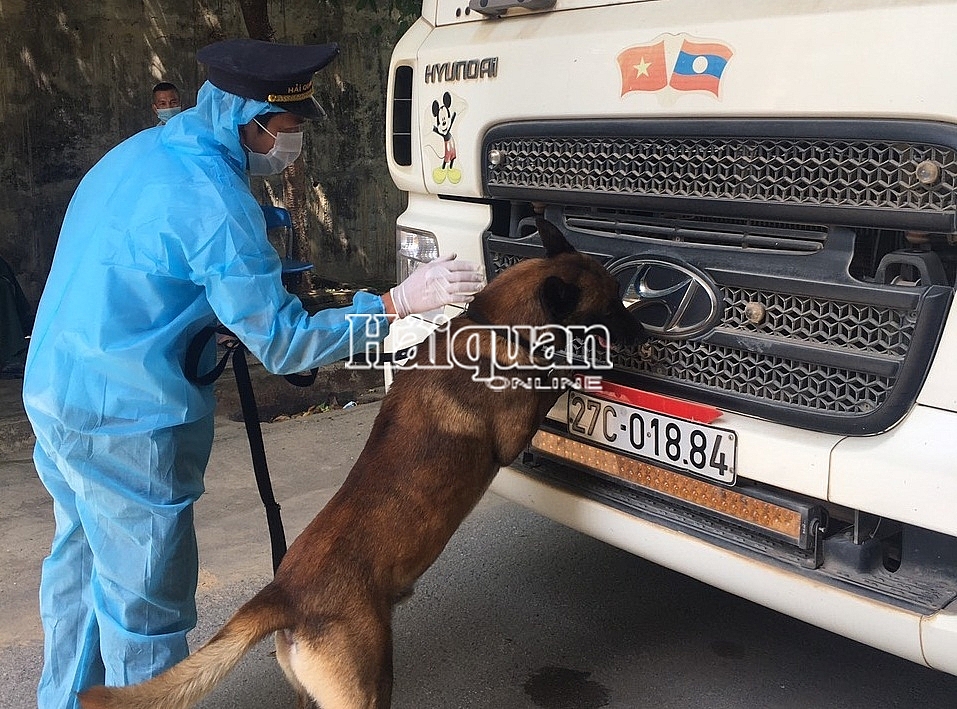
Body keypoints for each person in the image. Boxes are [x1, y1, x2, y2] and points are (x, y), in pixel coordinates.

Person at [23, 38, 483, 709]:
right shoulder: (216, 202)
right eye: (289, 131)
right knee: (143, 606)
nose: (291, 146)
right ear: (253, 121)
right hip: (126, 417)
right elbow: (286, 343)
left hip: (57, 390)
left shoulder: (147, 151)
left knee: (79, 566)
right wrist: (392, 304)